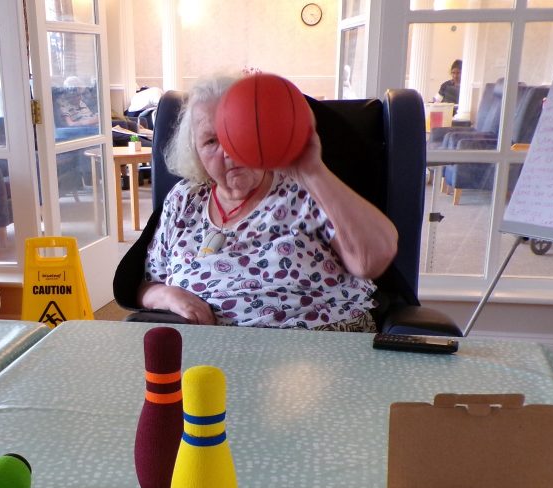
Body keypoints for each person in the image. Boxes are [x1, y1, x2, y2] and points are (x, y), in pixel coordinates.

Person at [136, 75, 398, 331]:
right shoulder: (185, 199)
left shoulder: (305, 188)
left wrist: (312, 171)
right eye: (211, 141)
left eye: (234, 133)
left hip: (316, 344)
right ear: (196, 152)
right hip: (214, 349)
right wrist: (168, 296)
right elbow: (148, 282)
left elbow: (370, 262)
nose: (227, 151)